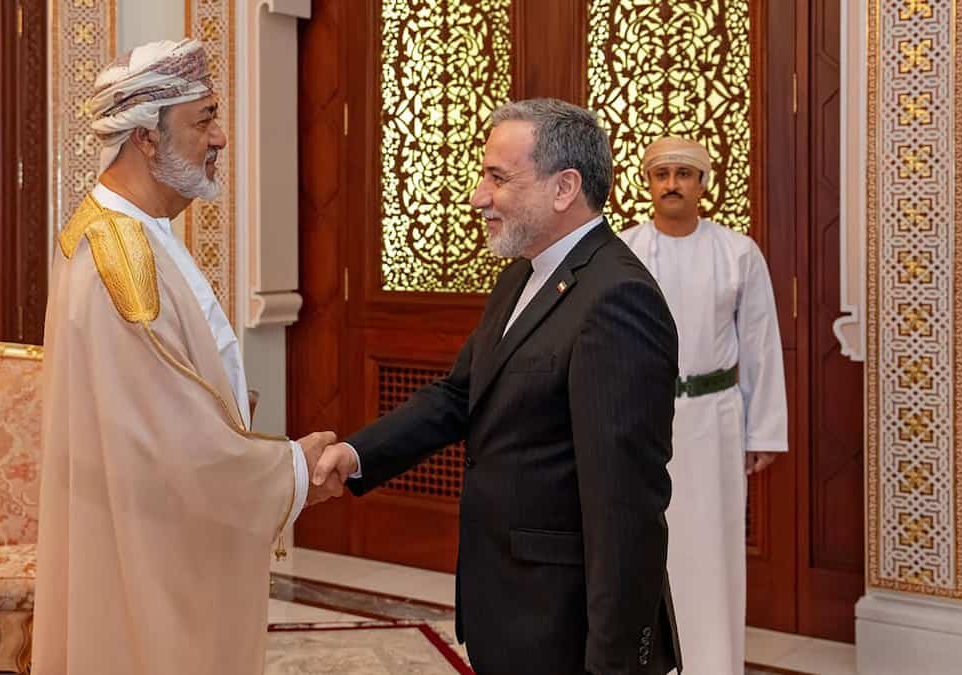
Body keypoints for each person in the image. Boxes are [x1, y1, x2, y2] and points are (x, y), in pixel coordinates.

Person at [314, 98, 682, 675]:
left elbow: (625, 509)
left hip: (563, 629)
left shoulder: (617, 298)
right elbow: (460, 394)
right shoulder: (524, 274)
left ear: (564, 188)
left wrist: (615, 666)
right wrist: (357, 454)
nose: (477, 196)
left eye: (498, 178)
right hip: (508, 611)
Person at [32, 39, 340, 675]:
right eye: (204, 120)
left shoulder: (128, 229)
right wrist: (292, 471)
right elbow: (172, 442)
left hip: (147, 526)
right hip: (151, 548)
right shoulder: (120, 258)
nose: (220, 137)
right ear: (147, 137)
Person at [618, 136, 789, 675]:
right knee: (646, 546)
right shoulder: (622, 252)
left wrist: (763, 431)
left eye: (684, 174)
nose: (672, 184)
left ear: (703, 184)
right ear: (648, 182)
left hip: (715, 422)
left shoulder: (738, 253)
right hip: (643, 423)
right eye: (662, 173)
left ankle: (714, 664)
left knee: (714, 550)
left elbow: (760, 344)